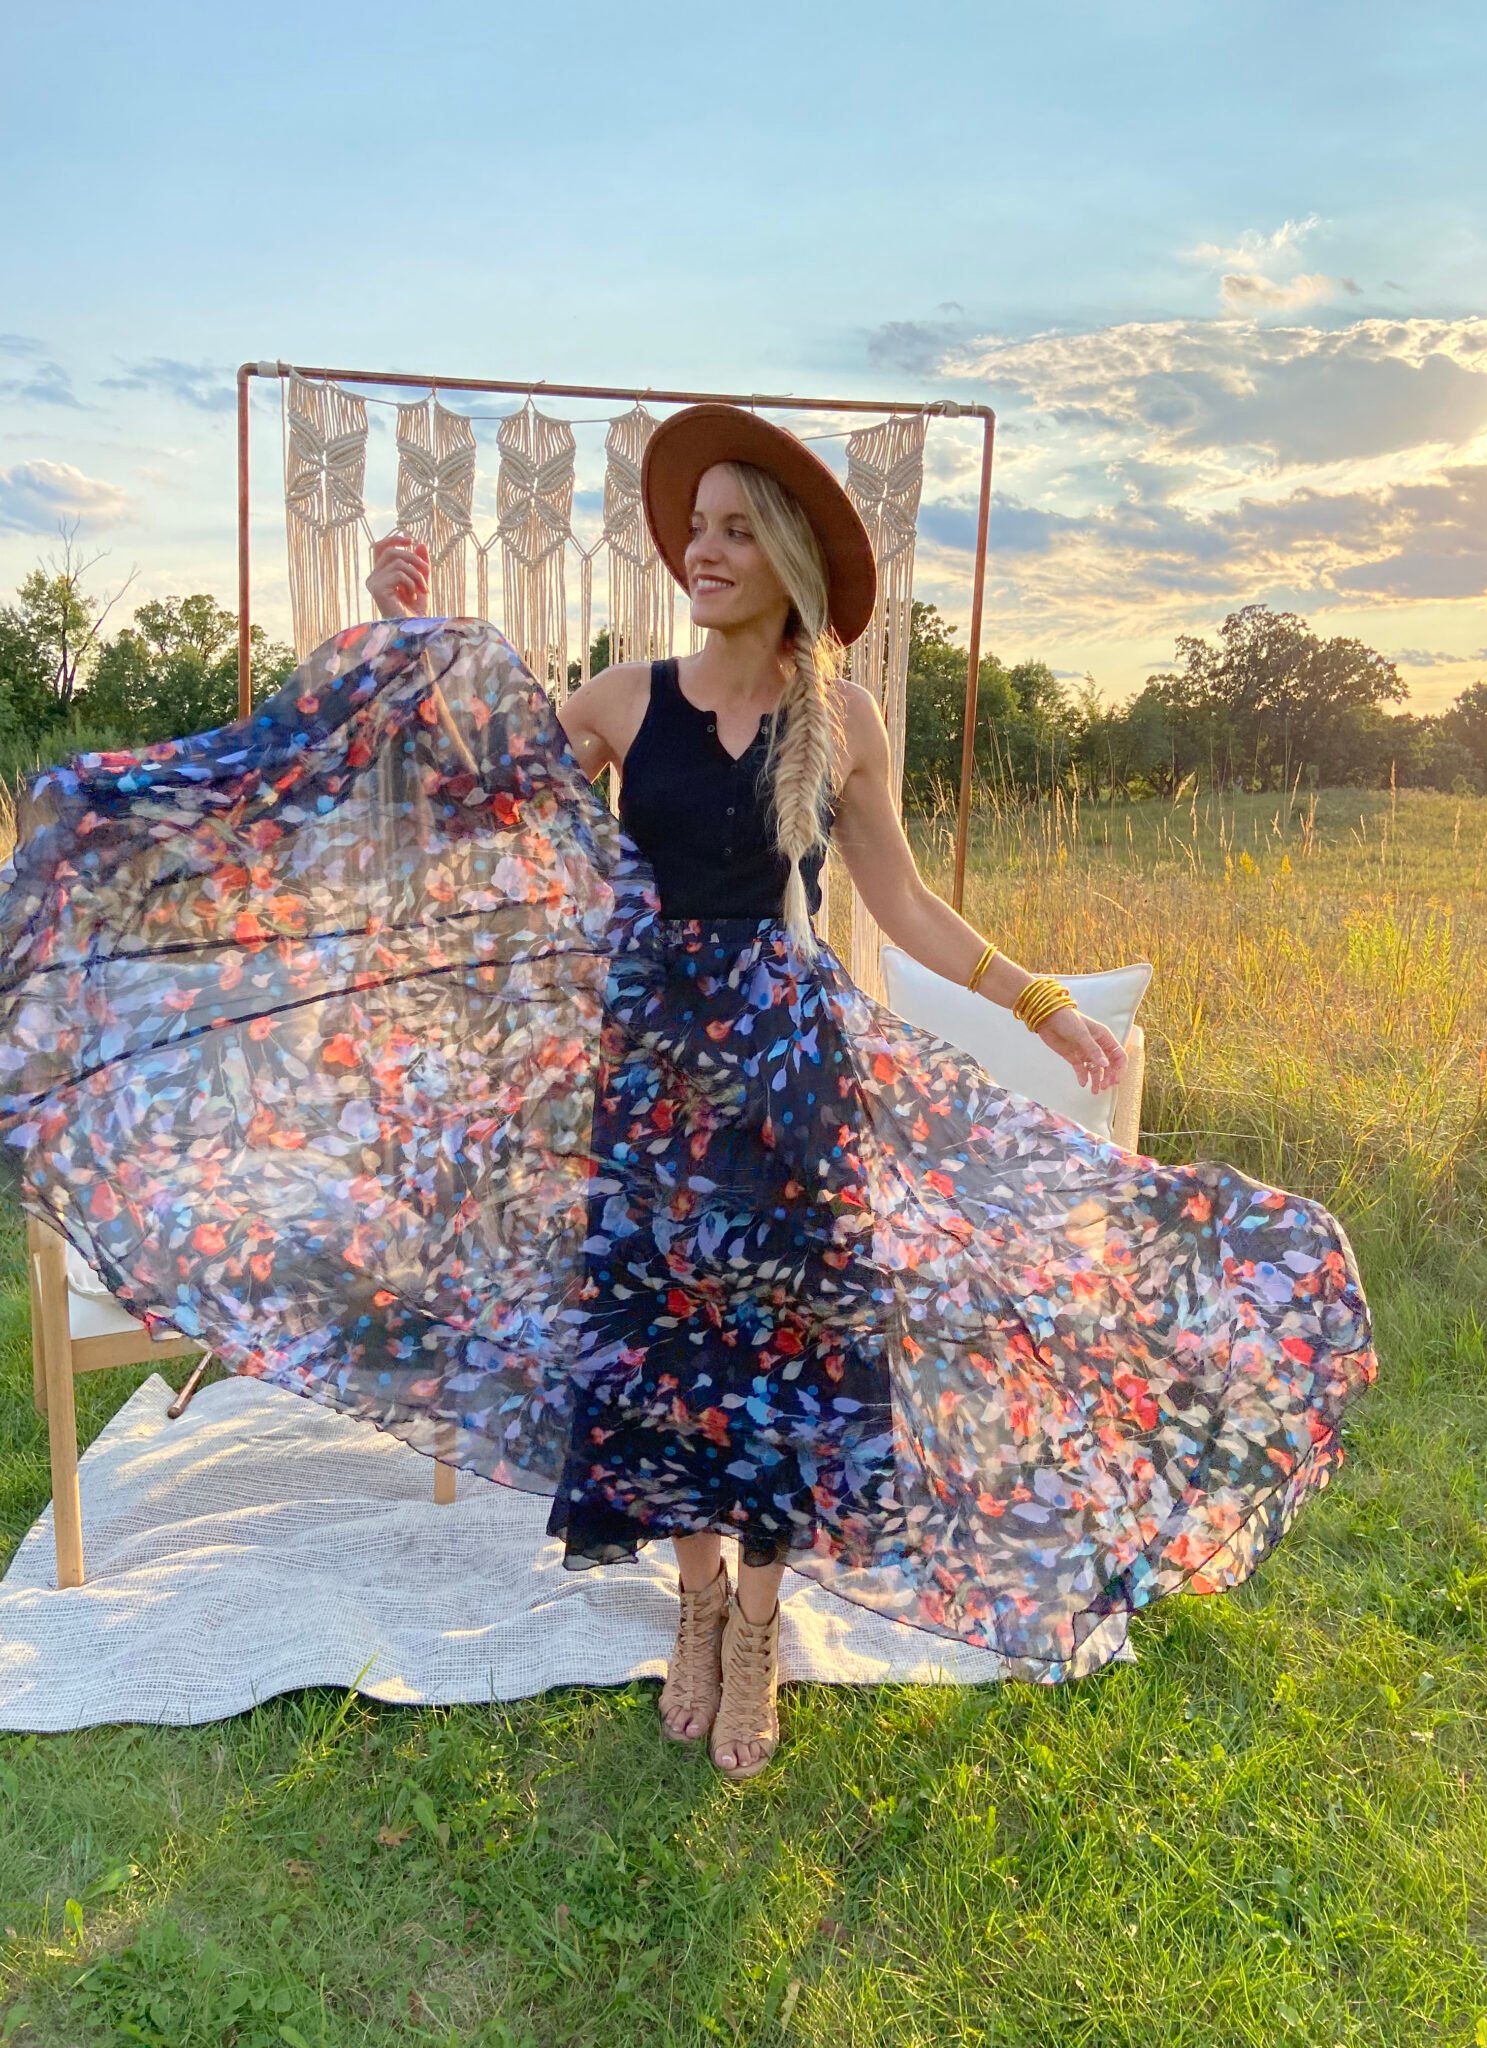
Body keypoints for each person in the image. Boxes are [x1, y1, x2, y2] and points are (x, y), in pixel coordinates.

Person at [0, 403, 1377, 1784]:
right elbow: (480, 802)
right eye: (695, 529)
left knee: (778, 1361)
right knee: (669, 1358)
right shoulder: (622, 698)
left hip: (789, 1080)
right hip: (650, 1079)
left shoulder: (843, 718)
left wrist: (1038, 997)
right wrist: (407, 631)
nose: (705, 552)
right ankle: (696, 1605)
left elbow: (898, 905)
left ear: (784, 558)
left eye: (734, 530)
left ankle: (761, 1632)